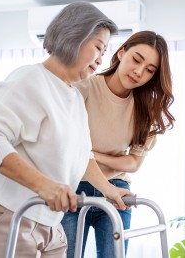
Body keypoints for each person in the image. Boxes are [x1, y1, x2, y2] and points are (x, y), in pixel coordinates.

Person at [0, 1, 134, 258]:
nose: (102, 59)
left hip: (50, 221)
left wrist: (109, 189)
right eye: (99, 48)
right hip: (9, 211)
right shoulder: (30, 80)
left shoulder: (75, 97)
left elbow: (83, 156)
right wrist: (44, 186)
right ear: (75, 35)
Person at [61, 30, 175, 258]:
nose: (139, 72)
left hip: (117, 190)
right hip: (73, 187)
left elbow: (133, 163)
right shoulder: (84, 88)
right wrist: (88, 156)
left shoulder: (146, 109)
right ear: (121, 52)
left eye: (150, 70)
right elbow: (68, 150)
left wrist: (92, 154)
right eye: (136, 60)